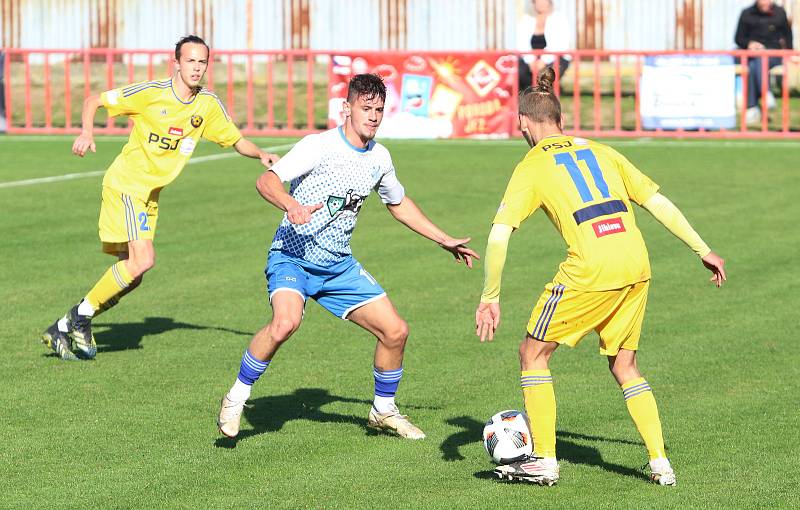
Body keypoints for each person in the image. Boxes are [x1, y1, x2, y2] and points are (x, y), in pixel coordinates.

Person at [475, 67, 726, 486]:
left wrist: (490, 294)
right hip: (636, 265)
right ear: (559, 118)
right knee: (625, 364)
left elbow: (500, 233)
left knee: (532, 354)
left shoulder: (533, 164)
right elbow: (657, 202)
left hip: (592, 269)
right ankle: (660, 462)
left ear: (523, 122)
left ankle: (544, 459)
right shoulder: (603, 150)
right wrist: (703, 248)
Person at [216, 73, 479, 440]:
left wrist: (444, 239)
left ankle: (383, 412)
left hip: (337, 265)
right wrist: (290, 204)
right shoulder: (318, 146)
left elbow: (398, 203)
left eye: (379, 110)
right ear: (347, 108)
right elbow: (267, 181)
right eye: (366, 108)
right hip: (293, 256)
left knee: (395, 331)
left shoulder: (380, 158)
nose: (373, 116)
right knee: (285, 323)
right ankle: (236, 397)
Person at [41, 35, 279, 361]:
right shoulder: (151, 93)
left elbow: (236, 140)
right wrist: (87, 132)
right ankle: (77, 319)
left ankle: (67, 324)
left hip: (149, 196)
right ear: (176, 63)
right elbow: (93, 100)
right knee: (143, 260)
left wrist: (261, 153)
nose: (196, 68)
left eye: (202, 62)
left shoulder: (206, 105)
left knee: (134, 275)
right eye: (190, 61)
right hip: (126, 185)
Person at [734, 0, 793, 124]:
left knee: (760, 59)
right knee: (752, 63)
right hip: (751, 55)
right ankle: (764, 95)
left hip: (773, 54)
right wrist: (749, 44)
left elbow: (788, 36)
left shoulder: (779, 13)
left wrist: (790, 54)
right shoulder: (747, 13)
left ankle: (752, 106)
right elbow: (738, 38)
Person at [517, 0, 571, 92]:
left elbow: (560, 45)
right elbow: (521, 44)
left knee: (550, 71)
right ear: (533, 3)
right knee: (518, 69)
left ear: (549, 2)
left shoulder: (559, 18)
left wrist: (543, 61)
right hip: (531, 61)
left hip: (554, 58)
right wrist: (530, 61)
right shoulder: (526, 20)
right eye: (537, 1)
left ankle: (543, 90)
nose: (541, 3)